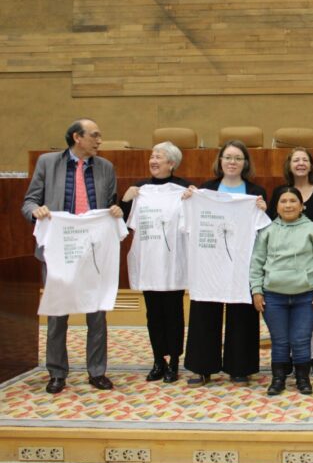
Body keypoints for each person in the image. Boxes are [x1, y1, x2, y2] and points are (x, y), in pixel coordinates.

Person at [21, 118, 123, 394]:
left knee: (97, 313)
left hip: (93, 251)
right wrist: (36, 211)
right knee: (57, 313)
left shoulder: (106, 167)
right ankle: (57, 373)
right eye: (95, 135)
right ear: (77, 137)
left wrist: (115, 210)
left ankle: (97, 371)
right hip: (58, 250)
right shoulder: (47, 163)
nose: (99, 140)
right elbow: (29, 201)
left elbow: (111, 204)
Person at [183, 140, 268, 386]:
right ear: (220, 161)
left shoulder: (255, 191)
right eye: (228, 157)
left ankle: (239, 367)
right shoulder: (204, 190)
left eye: (238, 158)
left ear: (245, 163)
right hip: (209, 261)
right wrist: (189, 199)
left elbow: (265, 226)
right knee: (204, 311)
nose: (232, 162)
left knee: (242, 312)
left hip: (242, 261)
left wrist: (263, 209)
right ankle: (202, 367)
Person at [250, 187, 313, 396]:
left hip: (306, 295)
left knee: (300, 338)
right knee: (279, 340)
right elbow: (256, 262)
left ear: (301, 205)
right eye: (283, 201)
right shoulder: (267, 231)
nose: (288, 205)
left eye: (293, 201)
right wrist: (256, 290)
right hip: (273, 296)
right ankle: (278, 379)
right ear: (276, 206)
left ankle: (302, 378)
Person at [120, 141, 190, 384]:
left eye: (159, 156)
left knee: (173, 313)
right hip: (148, 262)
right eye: (152, 155)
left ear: (171, 163)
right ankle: (158, 359)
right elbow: (120, 221)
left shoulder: (182, 189)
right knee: (154, 314)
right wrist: (126, 200)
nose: (153, 160)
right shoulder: (140, 189)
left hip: (172, 263)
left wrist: (193, 198)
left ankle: (174, 362)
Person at [267, 147, 313, 379]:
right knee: (287, 318)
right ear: (289, 165)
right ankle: (286, 358)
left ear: (311, 165)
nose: (300, 163)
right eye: (295, 160)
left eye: (304, 159)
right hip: (285, 264)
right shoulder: (280, 191)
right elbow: (270, 222)